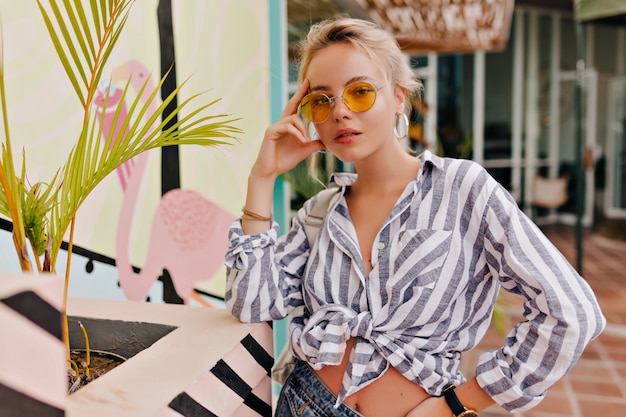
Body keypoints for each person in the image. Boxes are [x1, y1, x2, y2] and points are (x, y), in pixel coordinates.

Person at [224, 17, 605, 417]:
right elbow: (251, 304)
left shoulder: (463, 188)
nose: (339, 111)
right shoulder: (319, 214)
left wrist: (458, 406)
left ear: (400, 98)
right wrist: (262, 179)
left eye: (359, 92)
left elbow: (571, 312)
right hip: (304, 405)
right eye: (321, 99)